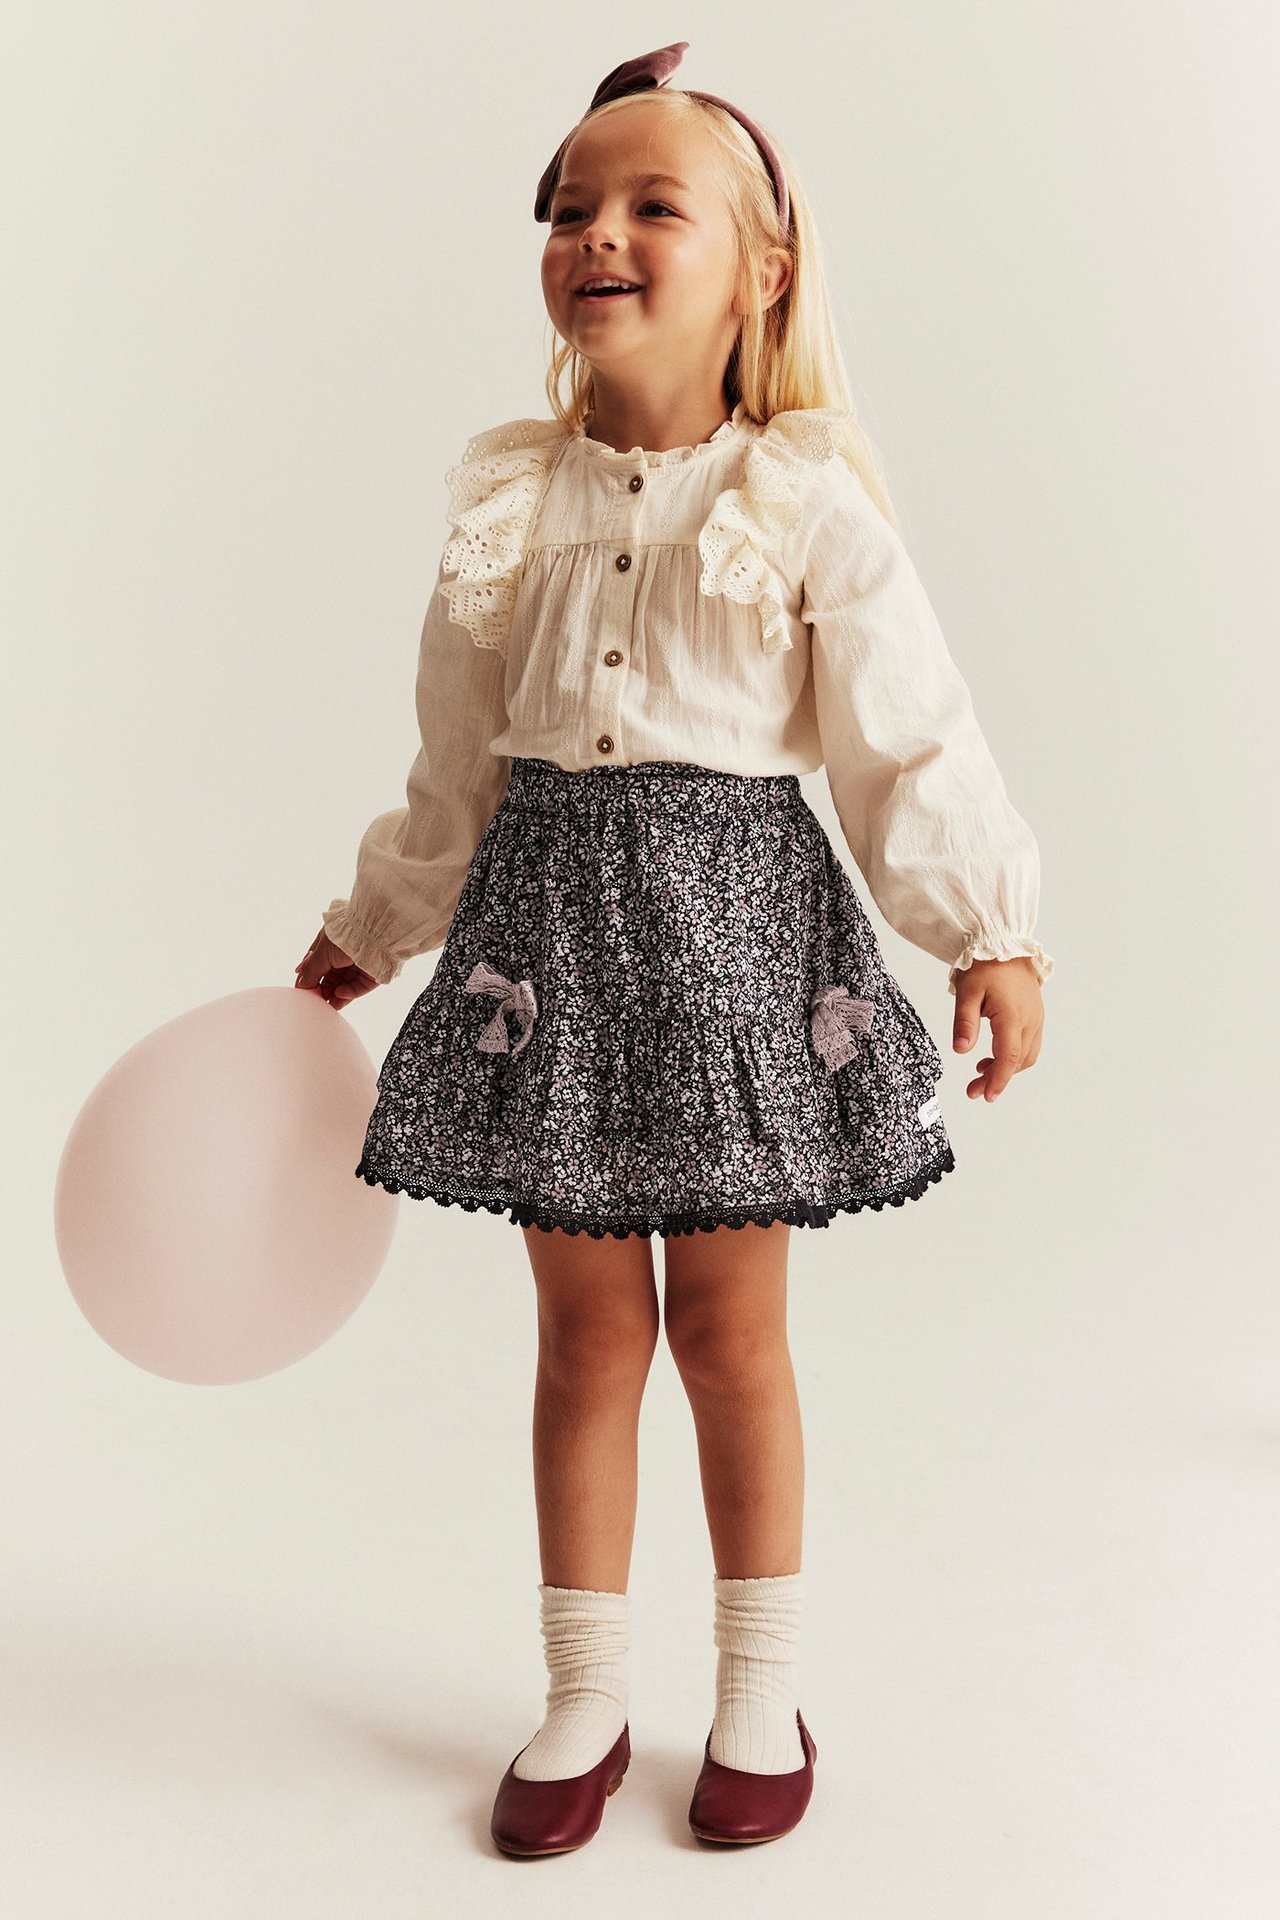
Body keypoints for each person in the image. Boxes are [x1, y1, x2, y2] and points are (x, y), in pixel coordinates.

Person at [293, 41, 1054, 1856]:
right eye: (568, 207)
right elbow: (454, 763)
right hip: (547, 947)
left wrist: (987, 931)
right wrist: (374, 920)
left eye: (651, 205)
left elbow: (907, 739)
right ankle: (579, 1690)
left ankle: (761, 1684)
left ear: (764, 266)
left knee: (729, 1331)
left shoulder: (802, 502)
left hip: (734, 948)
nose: (597, 235)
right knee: (580, 1340)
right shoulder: (507, 508)